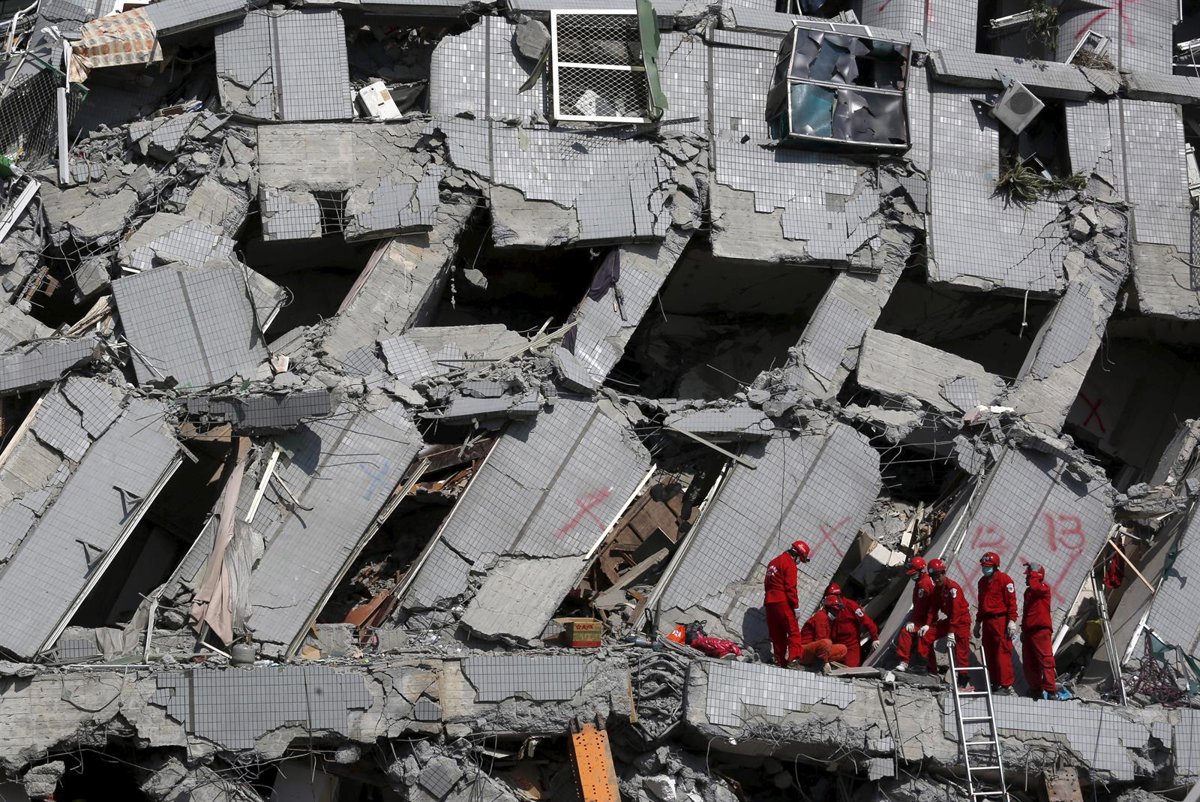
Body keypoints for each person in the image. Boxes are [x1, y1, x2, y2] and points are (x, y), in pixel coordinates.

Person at [1022, 563, 1069, 700]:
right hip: (1030, 631)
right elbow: (1027, 613)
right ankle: (1035, 689)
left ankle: (1051, 690)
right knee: (1030, 662)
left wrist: (1034, 574)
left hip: (1041, 631)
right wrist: (1024, 630)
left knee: (1046, 660)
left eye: (1029, 576)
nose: (1026, 578)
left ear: (1036, 576)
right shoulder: (1028, 592)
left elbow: (1035, 587)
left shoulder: (1043, 588)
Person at [974, 551, 1018, 694]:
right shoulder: (982, 582)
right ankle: (995, 683)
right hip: (987, 622)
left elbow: (1011, 602)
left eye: (988, 567)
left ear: (995, 566)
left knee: (1002, 653)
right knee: (989, 653)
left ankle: (1006, 685)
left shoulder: (1005, 580)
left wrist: (1012, 621)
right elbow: (981, 604)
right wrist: (978, 623)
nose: (985, 569)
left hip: (1000, 621)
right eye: (984, 566)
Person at [763, 540, 811, 667]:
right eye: (800, 559)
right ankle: (794, 659)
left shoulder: (773, 562)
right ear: (797, 555)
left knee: (777, 633)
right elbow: (791, 588)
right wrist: (796, 607)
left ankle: (780, 661)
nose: (799, 562)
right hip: (782, 601)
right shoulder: (789, 564)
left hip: (769, 603)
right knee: (793, 631)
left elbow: (766, 584)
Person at [923, 558, 971, 683]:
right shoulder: (937, 590)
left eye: (938, 576)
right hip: (950, 620)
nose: (936, 579)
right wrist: (927, 624)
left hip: (961, 621)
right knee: (927, 635)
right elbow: (933, 608)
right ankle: (929, 669)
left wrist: (951, 632)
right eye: (933, 577)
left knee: (960, 650)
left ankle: (963, 678)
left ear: (943, 573)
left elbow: (956, 612)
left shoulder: (953, 588)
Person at [894, 556, 938, 673]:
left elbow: (922, 607)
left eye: (913, 574)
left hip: (925, 620)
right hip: (925, 619)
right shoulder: (922, 581)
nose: (912, 576)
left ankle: (904, 661)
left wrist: (914, 621)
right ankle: (932, 669)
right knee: (927, 644)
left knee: (906, 632)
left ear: (921, 570)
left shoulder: (924, 584)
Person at [824, 582, 879, 667]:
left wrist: (875, 638)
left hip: (851, 647)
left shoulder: (851, 606)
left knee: (850, 668)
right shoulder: (828, 608)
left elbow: (867, 622)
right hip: (835, 645)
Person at [796, 595, 849, 668]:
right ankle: (817, 665)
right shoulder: (821, 617)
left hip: (816, 651)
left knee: (843, 649)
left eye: (837, 612)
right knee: (826, 643)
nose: (836, 613)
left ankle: (819, 661)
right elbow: (821, 639)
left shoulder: (828, 620)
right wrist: (825, 661)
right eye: (834, 611)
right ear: (828, 608)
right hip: (804, 650)